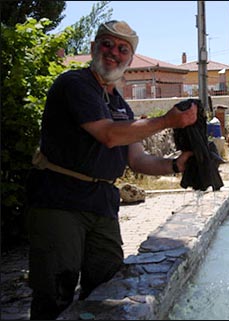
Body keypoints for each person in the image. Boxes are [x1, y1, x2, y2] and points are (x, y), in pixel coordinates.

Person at [25, 20, 198, 320]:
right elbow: (108, 135)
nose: (113, 52)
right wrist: (166, 121)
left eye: (122, 49)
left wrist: (175, 165)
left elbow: (137, 159)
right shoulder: (75, 84)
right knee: (55, 292)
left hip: (102, 203)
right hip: (60, 200)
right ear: (93, 48)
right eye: (106, 44)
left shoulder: (120, 104)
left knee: (107, 285)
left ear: (129, 60)